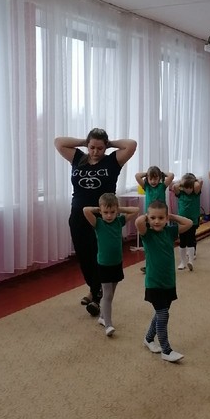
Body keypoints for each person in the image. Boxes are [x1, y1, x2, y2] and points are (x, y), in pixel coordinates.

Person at [54, 129, 137, 317]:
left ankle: (98, 296)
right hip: (79, 215)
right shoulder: (78, 158)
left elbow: (131, 145)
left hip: (104, 216)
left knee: (101, 255)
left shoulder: (112, 161)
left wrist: (110, 144)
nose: (95, 152)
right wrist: (84, 142)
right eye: (92, 147)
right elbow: (58, 142)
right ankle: (94, 288)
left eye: (100, 148)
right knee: (84, 255)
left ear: (105, 147)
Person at [135, 200, 193, 362]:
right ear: (148, 218)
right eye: (153, 218)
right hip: (154, 283)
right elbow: (138, 222)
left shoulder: (170, 232)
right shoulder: (147, 234)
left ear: (166, 218)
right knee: (163, 314)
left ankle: (148, 339)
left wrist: (171, 216)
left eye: (161, 218)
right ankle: (166, 350)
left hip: (169, 282)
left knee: (160, 313)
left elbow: (189, 223)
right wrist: (147, 217)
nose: (157, 221)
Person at [83, 194, 140, 336]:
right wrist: (99, 209)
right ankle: (108, 325)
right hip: (104, 265)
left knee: (111, 294)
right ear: (101, 211)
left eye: (112, 212)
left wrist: (119, 209)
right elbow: (85, 210)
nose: (109, 215)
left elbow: (136, 210)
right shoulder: (98, 223)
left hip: (117, 263)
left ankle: (103, 317)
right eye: (106, 212)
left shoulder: (119, 221)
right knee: (107, 294)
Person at [135, 166, 174, 272]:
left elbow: (171, 175)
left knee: (161, 240)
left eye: (155, 178)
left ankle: (162, 261)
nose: (153, 181)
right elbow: (137, 176)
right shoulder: (146, 187)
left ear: (159, 178)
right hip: (149, 219)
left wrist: (161, 173)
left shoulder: (162, 186)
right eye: (150, 178)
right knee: (149, 243)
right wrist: (147, 173)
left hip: (160, 219)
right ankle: (149, 264)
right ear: (147, 178)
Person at [173, 173, 203, 270]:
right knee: (182, 241)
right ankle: (182, 262)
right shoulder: (180, 194)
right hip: (182, 222)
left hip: (193, 221)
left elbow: (200, 183)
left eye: (190, 187)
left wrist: (193, 181)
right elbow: (175, 186)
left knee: (190, 240)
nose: (188, 190)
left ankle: (190, 261)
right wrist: (182, 183)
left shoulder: (196, 193)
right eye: (186, 188)